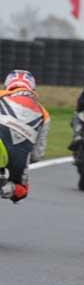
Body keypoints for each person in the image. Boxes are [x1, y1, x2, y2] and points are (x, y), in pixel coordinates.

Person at [0, 70, 50, 203]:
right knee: (21, 191)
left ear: (8, 85)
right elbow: (37, 155)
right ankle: (6, 188)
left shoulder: (2, 95)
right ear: (32, 88)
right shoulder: (44, 113)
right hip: (18, 161)